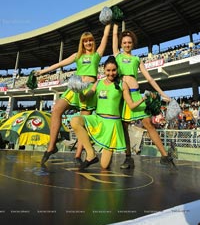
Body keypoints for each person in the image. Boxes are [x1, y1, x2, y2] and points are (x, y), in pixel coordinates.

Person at [36, 23, 111, 165]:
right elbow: (60, 64)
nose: (88, 43)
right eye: (85, 41)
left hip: (89, 90)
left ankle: (78, 156)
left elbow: (105, 37)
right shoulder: (77, 55)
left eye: (90, 40)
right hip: (74, 88)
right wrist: (42, 72)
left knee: (82, 124)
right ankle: (51, 146)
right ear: (82, 43)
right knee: (57, 109)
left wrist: (108, 22)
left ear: (93, 42)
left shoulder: (97, 55)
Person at [112, 23, 175, 169]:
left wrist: (162, 93)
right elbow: (114, 37)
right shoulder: (117, 55)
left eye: (129, 42)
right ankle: (128, 158)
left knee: (149, 124)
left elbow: (150, 79)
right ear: (121, 44)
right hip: (122, 96)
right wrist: (115, 24)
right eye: (124, 42)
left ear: (132, 44)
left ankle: (164, 156)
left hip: (136, 96)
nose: (127, 44)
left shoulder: (137, 60)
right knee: (124, 127)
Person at [70, 56, 147, 169]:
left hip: (112, 126)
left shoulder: (122, 84)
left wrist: (143, 98)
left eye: (114, 70)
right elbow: (84, 99)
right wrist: (79, 91)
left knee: (104, 166)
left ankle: (96, 157)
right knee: (75, 121)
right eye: (108, 70)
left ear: (117, 70)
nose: (111, 73)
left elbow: (131, 105)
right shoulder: (98, 83)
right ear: (104, 70)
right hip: (98, 120)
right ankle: (91, 154)